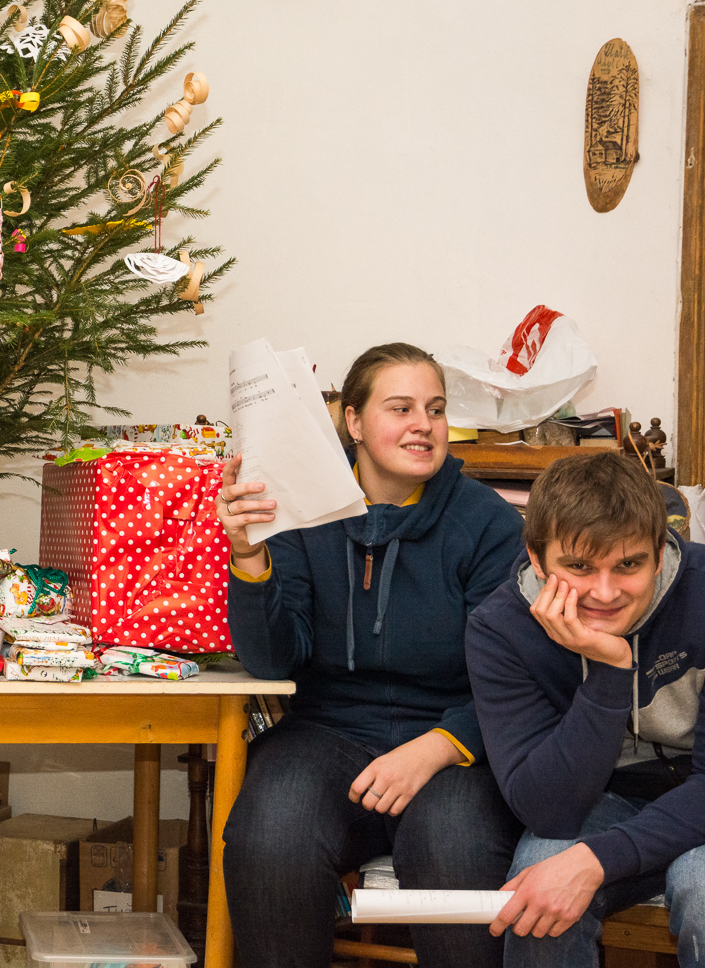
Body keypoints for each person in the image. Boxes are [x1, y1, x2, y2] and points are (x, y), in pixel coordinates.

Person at [217, 342, 525, 968]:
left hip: (455, 745)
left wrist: (436, 747)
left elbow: (517, 679)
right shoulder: (302, 512)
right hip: (327, 733)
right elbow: (274, 660)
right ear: (354, 422)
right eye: (401, 408)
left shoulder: (489, 525)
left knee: (452, 847)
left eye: (435, 409)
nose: (423, 425)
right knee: (271, 835)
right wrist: (248, 556)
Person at [468, 453, 705, 965]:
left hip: (696, 794)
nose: (605, 592)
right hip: (601, 800)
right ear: (536, 559)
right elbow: (548, 810)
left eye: (629, 565)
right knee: (537, 890)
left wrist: (598, 859)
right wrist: (610, 671)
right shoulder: (500, 627)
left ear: (658, 553)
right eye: (578, 567)